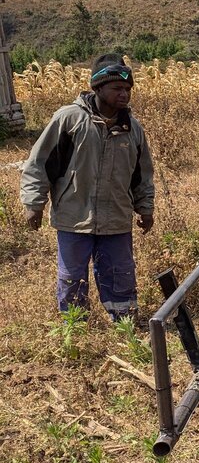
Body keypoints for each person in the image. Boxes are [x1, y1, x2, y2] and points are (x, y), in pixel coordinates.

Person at [20, 54, 155, 320]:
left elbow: (142, 175)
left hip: (116, 219)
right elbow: (40, 163)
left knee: (120, 275)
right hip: (74, 218)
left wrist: (146, 208)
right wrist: (33, 204)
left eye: (127, 90)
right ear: (98, 88)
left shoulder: (133, 130)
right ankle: (76, 327)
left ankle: (124, 325)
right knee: (72, 278)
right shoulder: (69, 120)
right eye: (117, 89)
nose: (124, 94)